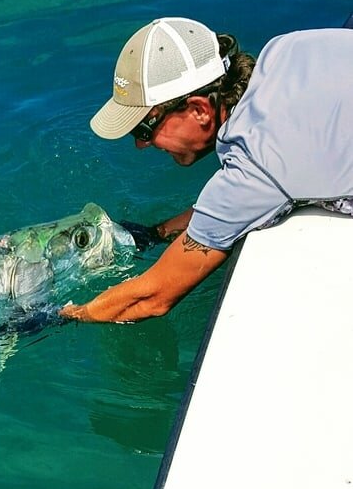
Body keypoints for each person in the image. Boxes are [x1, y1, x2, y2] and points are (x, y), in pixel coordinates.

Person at [60, 16, 353, 323]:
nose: (141, 145)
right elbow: (225, 207)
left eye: (144, 128)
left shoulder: (257, 162)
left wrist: (68, 315)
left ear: (199, 110)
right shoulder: (286, 48)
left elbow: (153, 296)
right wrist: (155, 233)